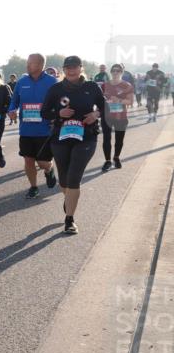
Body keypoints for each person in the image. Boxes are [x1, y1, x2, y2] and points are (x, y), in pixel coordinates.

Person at [40, 56, 106, 234]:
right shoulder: (55, 89)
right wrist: (59, 112)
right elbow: (44, 112)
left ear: (81, 68)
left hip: (86, 137)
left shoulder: (91, 87)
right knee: (64, 180)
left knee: (74, 177)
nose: (71, 70)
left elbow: (103, 105)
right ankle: (69, 199)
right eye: (68, 67)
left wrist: (95, 115)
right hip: (60, 138)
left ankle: (69, 219)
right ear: (64, 69)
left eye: (75, 67)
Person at [8, 54, 58, 199]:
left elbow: (58, 102)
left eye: (31, 63)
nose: (27, 66)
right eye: (27, 62)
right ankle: (33, 187)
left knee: (43, 163)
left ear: (41, 65)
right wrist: (11, 111)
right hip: (26, 130)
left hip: (45, 130)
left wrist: (55, 116)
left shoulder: (52, 82)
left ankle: (49, 169)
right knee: (28, 160)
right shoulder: (21, 82)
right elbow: (14, 101)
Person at [101, 63, 134, 171]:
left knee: (119, 140)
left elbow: (130, 101)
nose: (115, 72)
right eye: (113, 70)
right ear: (110, 72)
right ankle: (107, 161)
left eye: (118, 70)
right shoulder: (104, 85)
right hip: (107, 116)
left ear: (122, 72)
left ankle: (116, 157)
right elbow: (101, 100)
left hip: (121, 117)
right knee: (106, 139)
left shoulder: (127, 85)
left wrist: (119, 100)